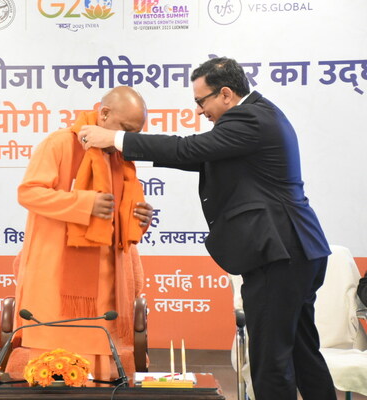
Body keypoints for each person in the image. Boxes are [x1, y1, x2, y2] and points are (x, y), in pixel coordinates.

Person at [78, 58, 336, 399]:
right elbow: (201, 158)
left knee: (270, 361)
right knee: (302, 353)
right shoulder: (261, 116)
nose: (199, 111)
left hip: (280, 253)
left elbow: (189, 148)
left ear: (226, 94)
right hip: (299, 250)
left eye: (202, 101)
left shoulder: (250, 118)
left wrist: (116, 137)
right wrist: (126, 150)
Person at [6, 86, 153, 381]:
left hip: (103, 286)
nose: (128, 138)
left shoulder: (120, 156)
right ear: (104, 113)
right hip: (56, 281)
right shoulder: (61, 143)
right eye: (125, 129)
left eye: (134, 132)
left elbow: (115, 219)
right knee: (52, 373)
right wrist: (83, 204)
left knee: (99, 374)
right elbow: (29, 193)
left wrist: (140, 218)